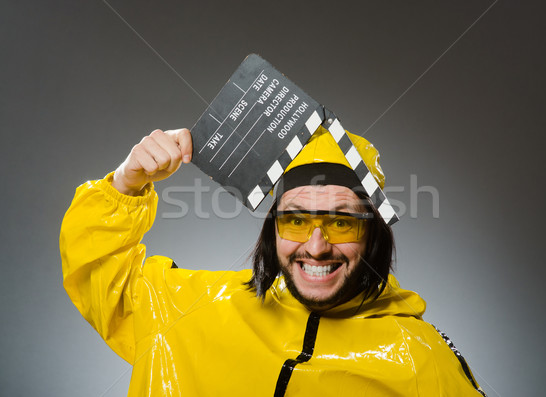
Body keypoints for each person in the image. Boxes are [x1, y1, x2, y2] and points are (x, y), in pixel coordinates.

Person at [60, 126, 486, 396]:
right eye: (296, 220)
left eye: (341, 223)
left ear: (373, 233)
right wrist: (126, 184)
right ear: (272, 230)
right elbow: (99, 271)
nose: (316, 246)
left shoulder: (419, 360)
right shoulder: (187, 309)